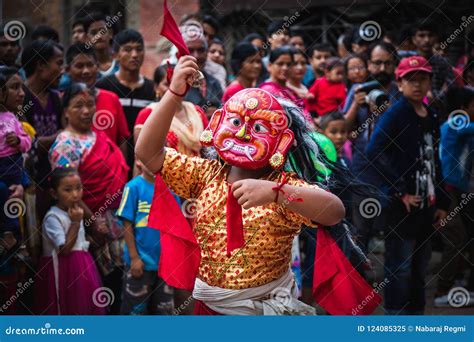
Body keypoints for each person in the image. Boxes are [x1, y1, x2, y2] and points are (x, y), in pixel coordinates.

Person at [135, 55, 346, 315]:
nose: (243, 134)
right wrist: (174, 93)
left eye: (258, 127)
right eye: (235, 122)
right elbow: (148, 154)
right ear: (217, 123)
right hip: (210, 309)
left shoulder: (282, 185)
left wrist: (276, 193)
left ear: (282, 141)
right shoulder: (205, 173)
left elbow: (335, 211)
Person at [365, 56, 449, 315]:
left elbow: (435, 159)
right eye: (411, 79)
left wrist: (443, 202)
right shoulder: (395, 114)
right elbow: (373, 151)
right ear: (399, 84)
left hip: (427, 205)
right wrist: (398, 190)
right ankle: (395, 321)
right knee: (399, 268)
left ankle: (416, 321)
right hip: (401, 207)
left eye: (423, 79)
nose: (417, 85)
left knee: (419, 269)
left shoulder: (431, 114)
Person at [48, 83, 129, 314]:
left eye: (90, 104)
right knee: (100, 288)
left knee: (119, 284)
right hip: (88, 224)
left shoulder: (99, 136)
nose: (86, 111)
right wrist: (93, 222)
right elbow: (68, 192)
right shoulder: (65, 144)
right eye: (78, 106)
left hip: (117, 219)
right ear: (65, 112)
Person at [34, 167, 105, 315]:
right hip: (63, 270)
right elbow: (64, 249)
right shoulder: (53, 217)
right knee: (68, 306)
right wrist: (76, 223)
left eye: (79, 188)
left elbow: (80, 242)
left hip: (82, 266)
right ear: (54, 193)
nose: (75, 195)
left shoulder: (75, 211)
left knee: (84, 305)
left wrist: (96, 236)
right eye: (68, 190)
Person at [116, 159, 174, 315]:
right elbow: (126, 224)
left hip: (165, 265)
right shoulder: (133, 187)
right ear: (139, 163)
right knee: (135, 310)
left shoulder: (172, 189)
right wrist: (134, 257)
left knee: (164, 310)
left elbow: (175, 225)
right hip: (139, 264)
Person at [434, 86, 474, 307]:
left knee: (463, 235)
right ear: (462, 109)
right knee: (456, 238)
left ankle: (457, 281)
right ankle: (443, 289)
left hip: (458, 191)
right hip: (446, 190)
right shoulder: (455, 125)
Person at [96, 29, 155, 172]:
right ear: (115, 55)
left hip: (144, 163)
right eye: (127, 50)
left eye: (139, 50)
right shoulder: (103, 86)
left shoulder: (152, 89)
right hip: (111, 161)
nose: (134, 55)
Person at [20, 39, 64, 221]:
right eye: (59, 63)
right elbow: (28, 145)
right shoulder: (20, 96)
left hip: (54, 182)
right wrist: (61, 136)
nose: (62, 70)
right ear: (40, 65)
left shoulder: (56, 98)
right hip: (30, 181)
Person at [65, 43, 130, 152]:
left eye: (90, 65)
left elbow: (122, 140)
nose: (86, 71)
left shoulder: (112, 99)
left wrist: (121, 168)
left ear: (97, 66)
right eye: (79, 66)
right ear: (68, 70)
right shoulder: (61, 100)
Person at [0, 68, 31, 246]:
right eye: (14, 87)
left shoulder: (11, 118)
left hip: (12, 165)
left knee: (11, 196)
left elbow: (27, 142)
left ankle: (12, 235)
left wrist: (18, 140)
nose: (21, 94)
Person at [181, 24, 223, 117]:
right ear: (180, 53)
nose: (196, 56)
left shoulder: (214, 83)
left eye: (201, 50)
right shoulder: (174, 83)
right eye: (190, 50)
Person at [411, 22, 454, 103]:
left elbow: (449, 89)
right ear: (414, 39)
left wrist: (433, 97)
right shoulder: (407, 62)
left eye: (430, 35)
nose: (427, 40)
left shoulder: (443, 63)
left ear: (436, 38)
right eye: (421, 35)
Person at [84, 13, 118, 77]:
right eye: (93, 33)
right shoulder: (85, 69)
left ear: (110, 33)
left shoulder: (121, 63)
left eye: (103, 32)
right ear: (87, 38)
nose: (99, 36)